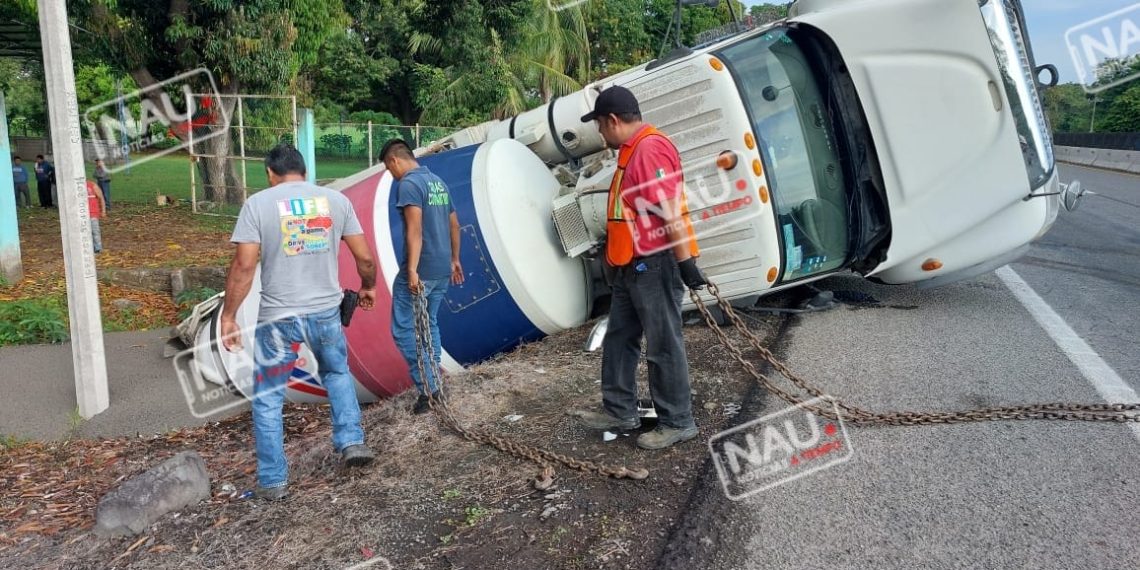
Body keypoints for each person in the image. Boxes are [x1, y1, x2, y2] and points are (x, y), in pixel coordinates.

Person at [220, 143, 378, 501]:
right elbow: (364, 257)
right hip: (325, 312)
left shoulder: (257, 205)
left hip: (278, 318)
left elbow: (245, 266)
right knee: (336, 373)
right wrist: (368, 286)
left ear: (270, 173)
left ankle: (274, 481)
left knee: (268, 398)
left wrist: (229, 315)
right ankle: (352, 442)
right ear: (304, 172)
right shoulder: (336, 201)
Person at [571, 85, 709, 450]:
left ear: (613, 120)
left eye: (600, 125)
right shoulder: (632, 152)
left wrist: (686, 262)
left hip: (655, 263)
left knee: (662, 343)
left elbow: (668, 211)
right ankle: (620, 410)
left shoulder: (648, 150)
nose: (600, 133)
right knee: (620, 338)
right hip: (632, 265)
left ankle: (678, 420)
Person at [380, 139, 465, 415]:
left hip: (422, 269)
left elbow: (413, 231)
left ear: (394, 161)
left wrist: (413, 270)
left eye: (388, 168)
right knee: (429, 324)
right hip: (442, 268)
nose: (391, 175)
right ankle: (434, 379)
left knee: (404, 329)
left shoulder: (409, 184)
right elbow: (455, 223)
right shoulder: (437, 182)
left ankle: (429, 389)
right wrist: (454, 259)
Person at [86, 179, 106, 254]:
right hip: (83, 214)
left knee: (95, 231)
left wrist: (103, 211)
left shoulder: (92, 185)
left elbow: (101, 198)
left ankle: (98, 248)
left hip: (93, 213)